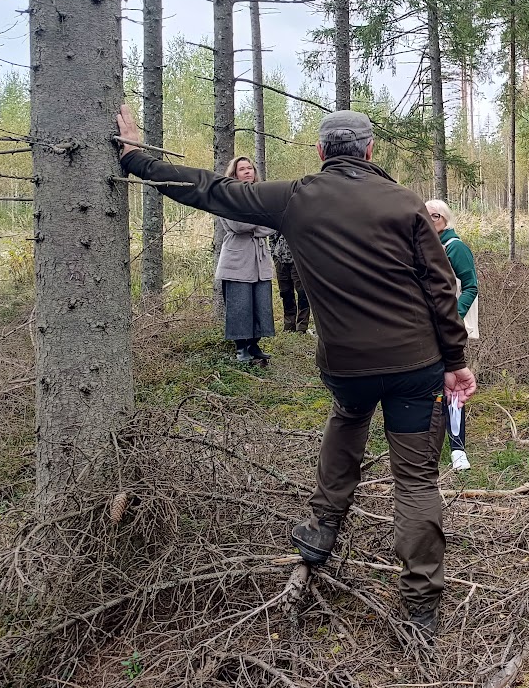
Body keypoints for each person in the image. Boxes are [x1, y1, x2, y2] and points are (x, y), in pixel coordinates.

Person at [116, 106, 475, 638]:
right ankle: (422, 605)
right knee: (416, 480)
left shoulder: (294, 198)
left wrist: (136, 158)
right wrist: (454, 361)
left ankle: (322, 528)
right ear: (371, 151)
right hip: (414, 363)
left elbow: (209, 191)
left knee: (349, 418)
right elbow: (441, 287)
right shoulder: (404, 202)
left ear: (322, 152)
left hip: (349, 366)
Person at [425, 200, 478, 472]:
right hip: (422, 328)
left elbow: (471, 285)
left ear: (445, 219)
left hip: (447, 330)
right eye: (425, 215)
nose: (430, 219)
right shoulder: (421, 245)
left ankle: (458, 448)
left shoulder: (454, 247)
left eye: (435, 216)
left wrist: (453, 316)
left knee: (454, 384)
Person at [217, 157, 275, 364]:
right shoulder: (227, 197)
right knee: (240, 305)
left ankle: (254, 344)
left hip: (259, 260)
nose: (248, 171)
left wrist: (257, 220)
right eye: (242, 169)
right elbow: (237, 226)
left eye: (250, 168)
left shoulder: (261, 195)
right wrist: (261, 219)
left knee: (260, 303)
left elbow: (274, 223)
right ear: (234, 174)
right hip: (237, 259)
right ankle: (241, 348)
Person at [270, 231, 310, 333]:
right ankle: (289, 325)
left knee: (302, 293)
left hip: (298, 260)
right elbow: (271, 236)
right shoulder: (278, 216)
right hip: (280, 258)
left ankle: (302, 326)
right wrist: (274, 255)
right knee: (285, 293)